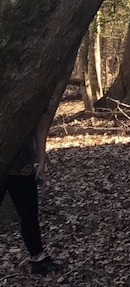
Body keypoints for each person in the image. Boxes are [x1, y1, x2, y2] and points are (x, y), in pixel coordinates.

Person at [1, 111, 64, 276]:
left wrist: (42, 161)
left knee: (29, 213)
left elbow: (41, 128)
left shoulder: (34, 97)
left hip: (22, 166)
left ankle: (38, 259)